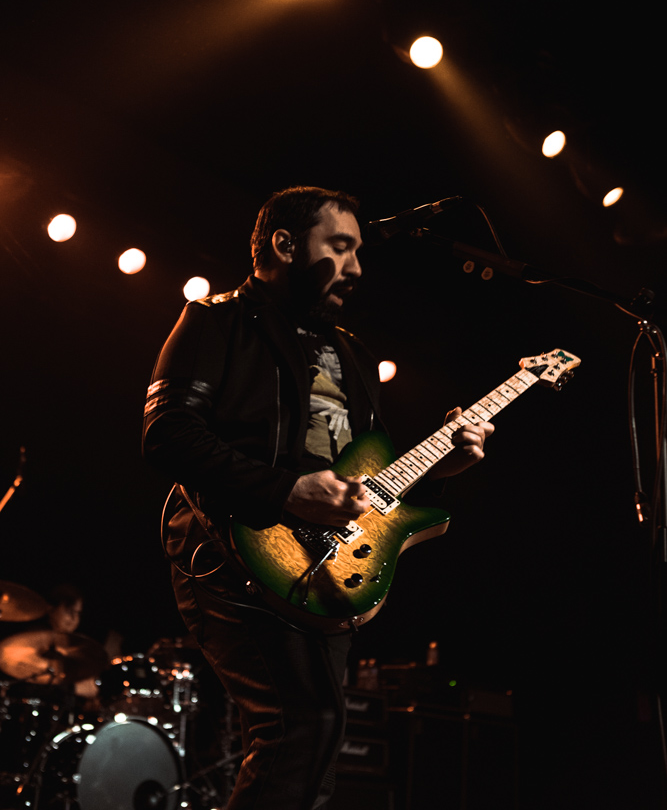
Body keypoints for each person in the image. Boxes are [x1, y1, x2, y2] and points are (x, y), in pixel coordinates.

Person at [142, 186, 493, 809]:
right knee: (300, 726)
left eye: (358, 250)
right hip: (232, 547)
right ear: (284, 244)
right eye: (340, 246)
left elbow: (369, 478)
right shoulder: (216, 320)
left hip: (322, 567)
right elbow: (167, 435)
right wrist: (285, 490)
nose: (357, 266)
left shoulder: (353, 353)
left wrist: (442, 471)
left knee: (318, 744)